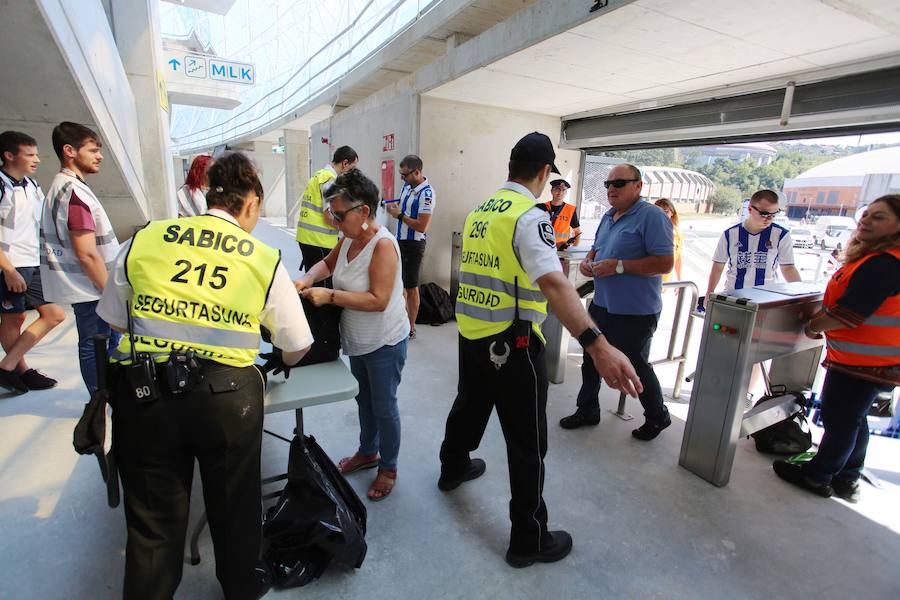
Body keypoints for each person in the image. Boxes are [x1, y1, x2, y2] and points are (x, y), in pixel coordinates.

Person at [97, 152, 313, 599]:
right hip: (227, 400)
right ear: (251, 203)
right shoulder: (261, 257)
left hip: (144, 396)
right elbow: (296, 345)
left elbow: (115, 320)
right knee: (235, 510)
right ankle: (240, 588)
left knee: (153, 525)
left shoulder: (147, 238)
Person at [439, 132, 642, 569]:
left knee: (470, 404)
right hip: (513, 343)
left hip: (473, 334)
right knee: (527, 440)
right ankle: (528, 539)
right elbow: (553, 283)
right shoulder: (530, 217)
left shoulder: (481, 211)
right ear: (545, 171)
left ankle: (453, 465)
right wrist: (598, 345)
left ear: (510, 167)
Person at [773, 194, 899, 502]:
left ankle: (819, 475)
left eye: (879, 217)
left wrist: (813, 326)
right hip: (867, 360)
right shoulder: (879, 259)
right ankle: (847, 478)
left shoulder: (884, 264)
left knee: (839, 418)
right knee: (854, 418)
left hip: (864, 362)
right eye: (866, 214)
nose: (867, 220)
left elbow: (849, 314)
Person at [298, 169, 409, 501]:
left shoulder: (383, 246)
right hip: (357, 340)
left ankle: (388, 467)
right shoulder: (348, 236)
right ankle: (368, 451)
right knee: (364, 400)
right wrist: (305, 281)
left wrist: (330, 296)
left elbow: (378, 300)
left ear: (364, 211)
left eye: (339, 213)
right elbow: (327, 266)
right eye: (332, 212)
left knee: (384, 406)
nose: (334, 219)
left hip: (385, 341)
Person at [559, 164, 674, 441]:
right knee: (591, 358)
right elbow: (597, 249)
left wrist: (619, 267)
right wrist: (589, 262)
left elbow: (665, 263)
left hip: (635, 311)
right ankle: (588, 409)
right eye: (608, 184)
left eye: (619, 183)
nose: (611, 189)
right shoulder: (609, 216)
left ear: (638, 186)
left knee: (635, 365)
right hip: (602, 304)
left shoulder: (653, 217)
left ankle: (658, 416)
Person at [40, 122, 121, 395]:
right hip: (91, 288)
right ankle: (102, 398)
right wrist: (110, 291)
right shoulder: (73, 192)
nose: (99, 156)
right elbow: (86, 253)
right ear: (69, 151)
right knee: (97, 344)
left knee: (98, 342)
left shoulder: (65, 186)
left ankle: (105, 395)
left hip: (87, 287)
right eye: (93, 150)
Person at [0, 131, 66, 393]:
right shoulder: (1, 185)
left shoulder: (32, 185)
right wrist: (8, 269)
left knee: (54, 314)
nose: (37, 159)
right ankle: (20, 370)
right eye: (30, 154)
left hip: (34, 261)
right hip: (10, 265)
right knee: (13, 319)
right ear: (9, 155)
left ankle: (7, 367)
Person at [702, 189, 801, 309]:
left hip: (765, 301)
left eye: (773, 215)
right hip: (733, 298)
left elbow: (788, 268)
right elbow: (718, 266)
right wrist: (709, 292)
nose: (768, 219)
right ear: (750, 209)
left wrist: (800, 296)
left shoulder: (781, 235)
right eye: (764, 214)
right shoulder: (730, 234)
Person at [384, 154, 434, 338]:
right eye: (400, 174)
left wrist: (398, 215)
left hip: (414, 244)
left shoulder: (427, 193)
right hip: (400, 240)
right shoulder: (407, 186)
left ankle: (411, 327)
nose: (402, 178)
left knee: (412, 287)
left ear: (417, 172)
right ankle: (401, 322)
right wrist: (394, 207)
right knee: (399, 284)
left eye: (405, 175)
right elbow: (403, 209)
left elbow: (422, 226)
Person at [295, 145, 358, 288]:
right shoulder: (330, 179)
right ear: (345, 163)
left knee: (312, 282)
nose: (351, 173)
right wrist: (348, 229)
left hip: (309, 238)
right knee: (322, 286)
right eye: (352, 168)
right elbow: (328, 215)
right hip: (319, 241)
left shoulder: (319, 175)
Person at [544, 178, 581, 249]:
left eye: (563, 190)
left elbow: (577, 231)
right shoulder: (543, 207)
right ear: (551, 191)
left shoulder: (570, 210)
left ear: (566, 193)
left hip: (562, 250)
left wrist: (573, 249)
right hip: (544, 247)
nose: (560, 192)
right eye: (557, 189)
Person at [654, 198, 682, 282]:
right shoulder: (650, 231)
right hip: (651, 281)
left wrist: (679, 279)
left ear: (672, 213)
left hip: (666, 281)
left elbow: (678, 258)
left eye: (665, 212)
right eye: (658, 211)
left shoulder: (677, 234)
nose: (661, 215)